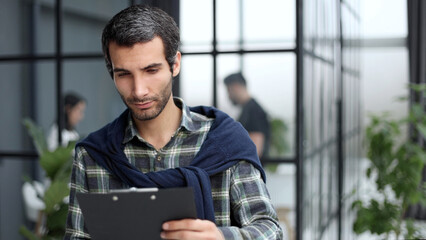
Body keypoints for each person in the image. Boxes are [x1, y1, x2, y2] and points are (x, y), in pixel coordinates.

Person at [65, 5, 282, 240]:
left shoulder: (225, 143)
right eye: (124, 74)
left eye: (151, 70)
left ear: (175, 64)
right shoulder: (92, 155)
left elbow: (269, 229)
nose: (139, 91)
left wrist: (222, 237)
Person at [224, 72, 270, 158]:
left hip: (250, 169)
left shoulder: (254, 110)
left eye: (229, 90)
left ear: (236, 87)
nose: (228, 96)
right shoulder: (248, 109)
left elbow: (255, 149)